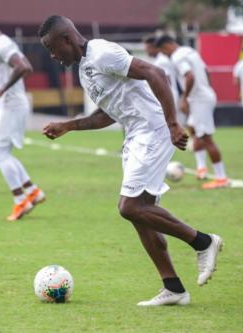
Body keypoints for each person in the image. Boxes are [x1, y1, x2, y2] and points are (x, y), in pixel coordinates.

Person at [39, 15, 223, 306]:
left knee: (130, 207)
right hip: (135, 137)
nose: (52, 55)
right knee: (141, 215)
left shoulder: (102, 53)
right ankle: (173, 288)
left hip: (152, 131)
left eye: (51, 47)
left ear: (66, 39)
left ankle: (203, 242)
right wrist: (69, 126)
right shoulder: (86, 69)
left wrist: (172, 122)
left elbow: (156, 73)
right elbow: (108, 113)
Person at [0, 13, 45, 221]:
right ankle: (33, 191)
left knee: (0, 154)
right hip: (12, 103)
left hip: (11, 104)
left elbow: (24, 67)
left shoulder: (2, 44)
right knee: (5, 153)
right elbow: (24, 63)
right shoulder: (2, 44)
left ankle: (20, 201)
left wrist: (1, 89)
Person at [157, 35, 229, 189]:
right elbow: (206, 71)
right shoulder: (190, 51)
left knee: (206, 138)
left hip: (199, 99)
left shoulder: (177, 56)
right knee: (193, 129)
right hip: (204, 95)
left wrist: (185, 98)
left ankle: (221, 178)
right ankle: (201, 167)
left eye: (163, 51)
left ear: (168, 45)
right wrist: (206, 89)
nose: (164, 54)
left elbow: (190, 76)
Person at [143, 35, 186, 127]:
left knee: (172, 125)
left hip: (168, 96)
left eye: (148, 48)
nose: (146, 50)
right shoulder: (160, 60)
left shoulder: (161, 61)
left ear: (155, 47)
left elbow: (167, 80)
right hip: (169, 95)